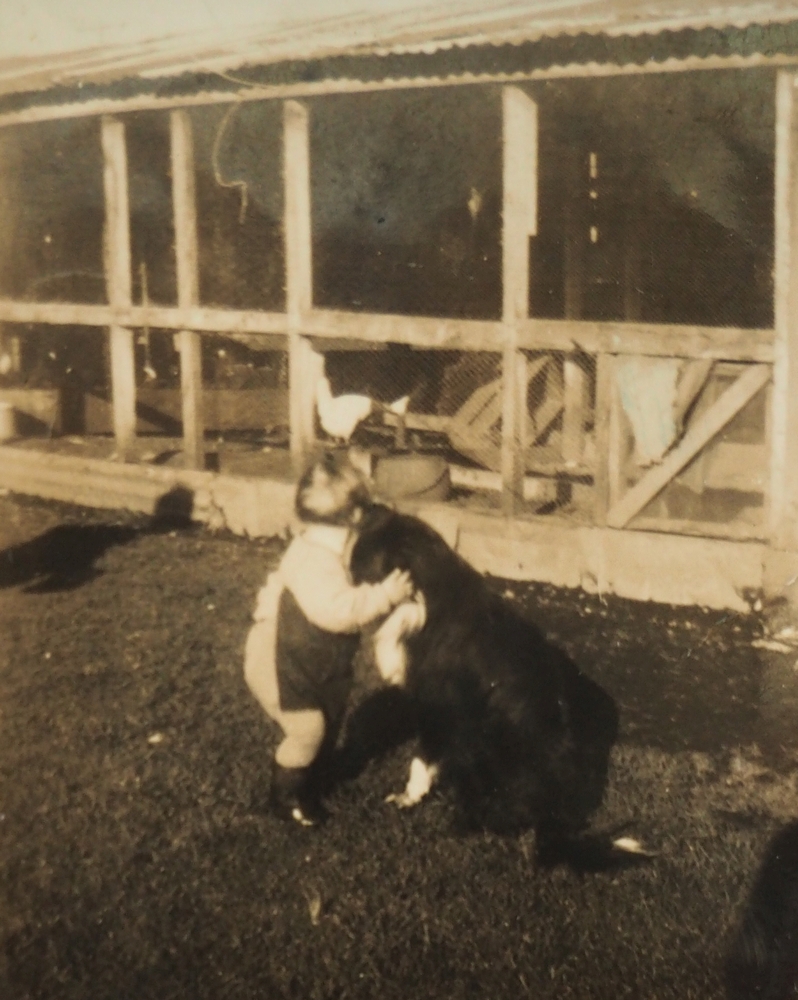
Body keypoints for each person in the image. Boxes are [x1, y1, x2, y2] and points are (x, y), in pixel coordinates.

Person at [244, 451, 413, 827]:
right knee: (307, 729)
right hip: (278, 660)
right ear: (354, 516)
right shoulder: (315, 560)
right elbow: (336, 611)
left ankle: (312, 775)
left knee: (327, 719)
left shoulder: (318, 544)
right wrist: (383, 596)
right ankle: (286, 798)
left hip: (308, 655)